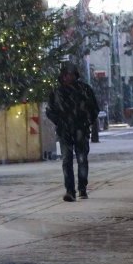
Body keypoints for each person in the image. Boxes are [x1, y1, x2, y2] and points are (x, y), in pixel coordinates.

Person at [46, 62, 99, 202]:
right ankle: (70, 190)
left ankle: (82, 188)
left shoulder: (84, 90)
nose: (68, 77)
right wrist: (60, 122)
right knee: (67, 160)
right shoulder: (57, 92)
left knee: (81, 159)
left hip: (80, 129)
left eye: (71, 74)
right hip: (65, 130)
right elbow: (50, 111)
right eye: (66, 75)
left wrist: (87, 121)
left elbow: (94, 108)